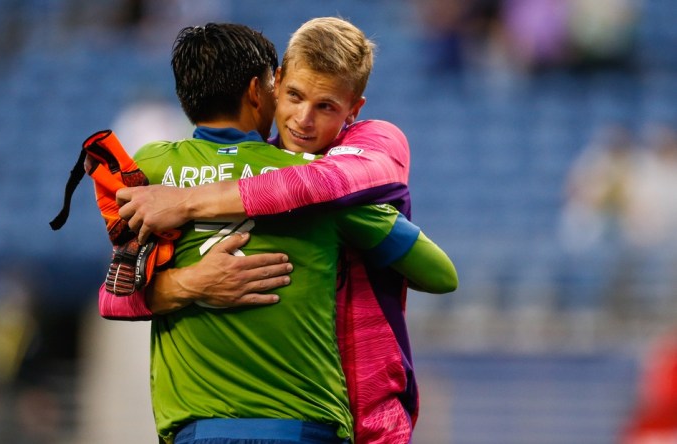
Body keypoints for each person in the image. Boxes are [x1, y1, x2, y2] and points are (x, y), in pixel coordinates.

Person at [104, 22, 456, 443]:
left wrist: (186, 202)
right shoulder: (314, 183)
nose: (304, 120)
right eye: (294, 96)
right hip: (307, 423)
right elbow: (439, 274)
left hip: (327, 415)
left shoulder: (158, 171)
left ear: (354, 110)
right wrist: (193, 283)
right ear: (271, 86)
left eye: (326, 106)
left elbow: (114, 294)